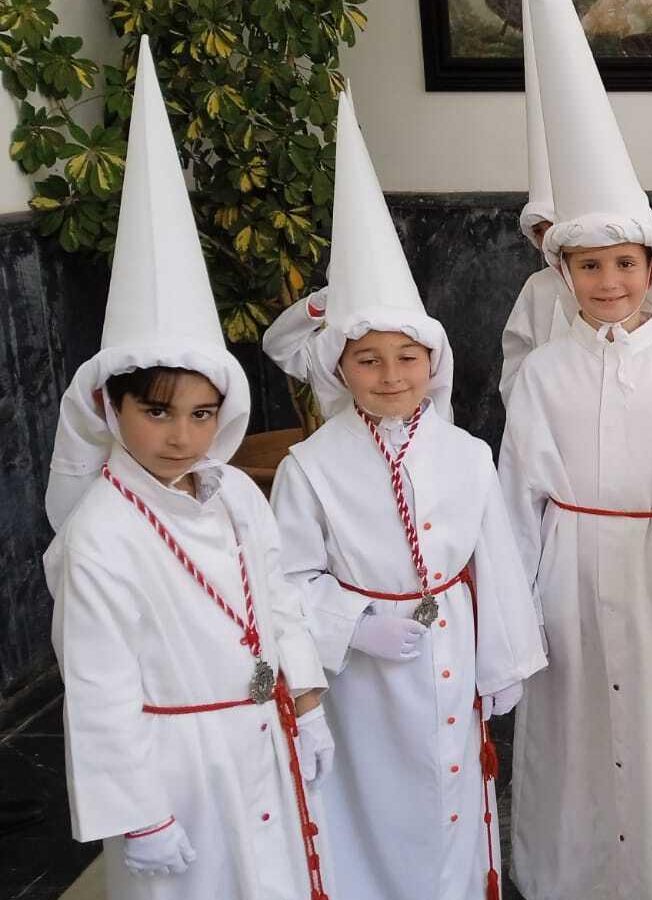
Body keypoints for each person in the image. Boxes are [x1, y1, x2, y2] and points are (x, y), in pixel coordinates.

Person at [44, 39, 334, 900]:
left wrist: (307, 698)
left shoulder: (237, 489)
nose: (181, 436)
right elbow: (98, 681)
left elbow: (276, 594)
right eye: (157, 411)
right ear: (110, 409)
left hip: (257, 735)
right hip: (174, 767)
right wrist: (139, 812)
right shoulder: (100, 534)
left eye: (202, 414)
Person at [267, 91, 546, 900]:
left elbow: (492, 559)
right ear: (338, 371)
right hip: (363, 675)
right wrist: (357, 624)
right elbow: (289, 578)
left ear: (434, 364)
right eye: (368, 360)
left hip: (454, 646)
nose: (391, 376)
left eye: (406, 358)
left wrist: (505, 662)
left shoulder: (465, 454)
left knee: (455, 792)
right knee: (375, 803)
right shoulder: (310, 467)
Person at [499, 1, 652, 896]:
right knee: (578, 727)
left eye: (625, 265)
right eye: (589, 268)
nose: (608, 282)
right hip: (569, 571)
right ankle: (574, 873)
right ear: (564, 277)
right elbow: (517, 498)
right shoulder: (542, 376)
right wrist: (512, 618)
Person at [499, 0, 576, 404]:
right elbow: (516, 359)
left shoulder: (615, 288)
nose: (549, 243)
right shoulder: (537, 288)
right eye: (541, 233)